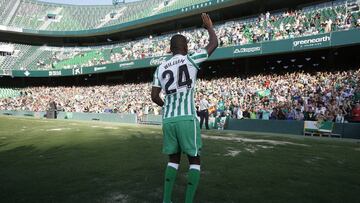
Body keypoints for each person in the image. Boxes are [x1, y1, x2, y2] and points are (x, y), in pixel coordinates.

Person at [151, 13, 218, 203]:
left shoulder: (161, 68)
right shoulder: (190, 59)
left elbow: (154, 97)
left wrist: (168, 105)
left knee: (173, 160)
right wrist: (209, 28)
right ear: (186, 47)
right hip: (187, 118)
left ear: (170, 49)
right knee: (194, 159)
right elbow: (213, 44)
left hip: (168, 120)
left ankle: (166, 200)